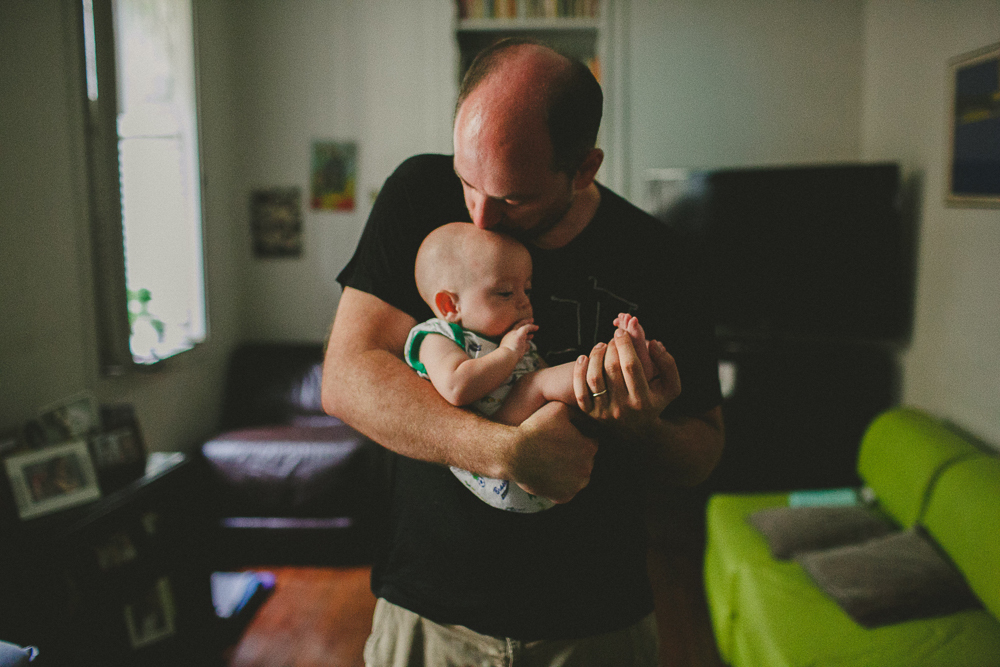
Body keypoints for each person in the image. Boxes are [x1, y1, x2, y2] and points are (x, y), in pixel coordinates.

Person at [323, 38, 724, 666]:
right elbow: (347, 378)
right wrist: (504, 452)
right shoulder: (418, 193)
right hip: (429, 618)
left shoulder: (662, 259)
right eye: (467, 181)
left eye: (514, 198)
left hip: (596, 625)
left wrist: (642, 428)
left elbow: (703, 450)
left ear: (584, 169)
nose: (480, 218)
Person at [405, 221, 656, 513]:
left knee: (558, 386)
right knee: (537, 383)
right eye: (505, 293)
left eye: (527, 290)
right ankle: (620, 368)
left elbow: (548, 375)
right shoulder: (436, 337)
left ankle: (631, 374)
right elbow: (456, 387)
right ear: (450, 305)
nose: (524, 303)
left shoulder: (510, 341)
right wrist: (509, 353)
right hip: (497, 453)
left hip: (550, 468)